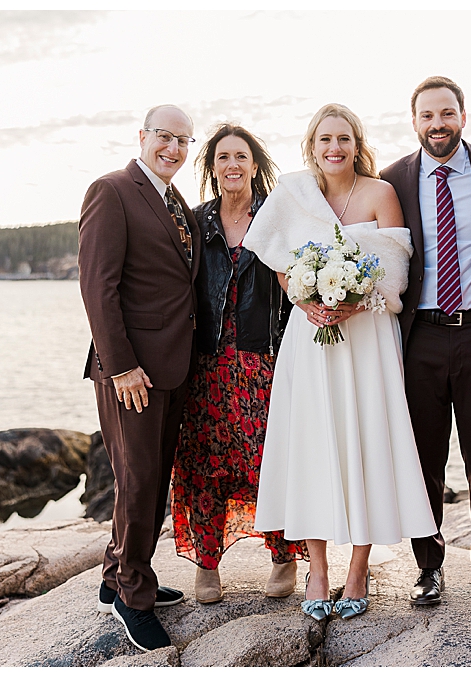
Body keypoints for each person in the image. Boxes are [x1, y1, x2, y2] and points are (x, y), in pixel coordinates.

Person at [248, 103, 439, 622]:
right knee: (311, 445)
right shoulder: (292, 195)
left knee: (366, 442)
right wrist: (306, 299)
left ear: (358, 144)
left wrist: (357, 300)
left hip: (368, 336)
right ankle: (317, 570)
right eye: (325, 140)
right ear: (311, 146)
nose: (335, 149)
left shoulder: (380, 194)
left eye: (344, 139)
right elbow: (281, 267)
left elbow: (395, 275)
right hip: (309, 338)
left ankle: (358, 569)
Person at [379, 76, 471, 611]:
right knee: (423, 459)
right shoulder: (392, 180)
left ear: (463, 115)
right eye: (427, 115)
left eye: (447, 113)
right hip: (421, 339)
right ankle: (428, 568)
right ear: (414, 122)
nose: (438, 124)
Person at [79, 104, 200, 651]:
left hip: (173, 366)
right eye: (165, 137)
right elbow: (98, 288)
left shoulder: (177, 203)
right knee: (138, 481)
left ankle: (118, 574)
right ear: (143, 136)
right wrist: (122, 365)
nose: (174, 148)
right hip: (132, 372)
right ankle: (133, 598)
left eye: (184, 141)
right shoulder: (111, 191)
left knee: (151, 478)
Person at [172, 123, 305, 603]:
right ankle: (207, 567)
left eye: (241, 156)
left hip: (261, 362)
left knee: (270, 461)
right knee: (205, 463)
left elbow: (298, 286)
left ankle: (283, 556)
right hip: (206, 365)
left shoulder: (276, 215)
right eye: (223, 157)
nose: (232, 165)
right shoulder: (196, 221)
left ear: (254, 165)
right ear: (212, 167)